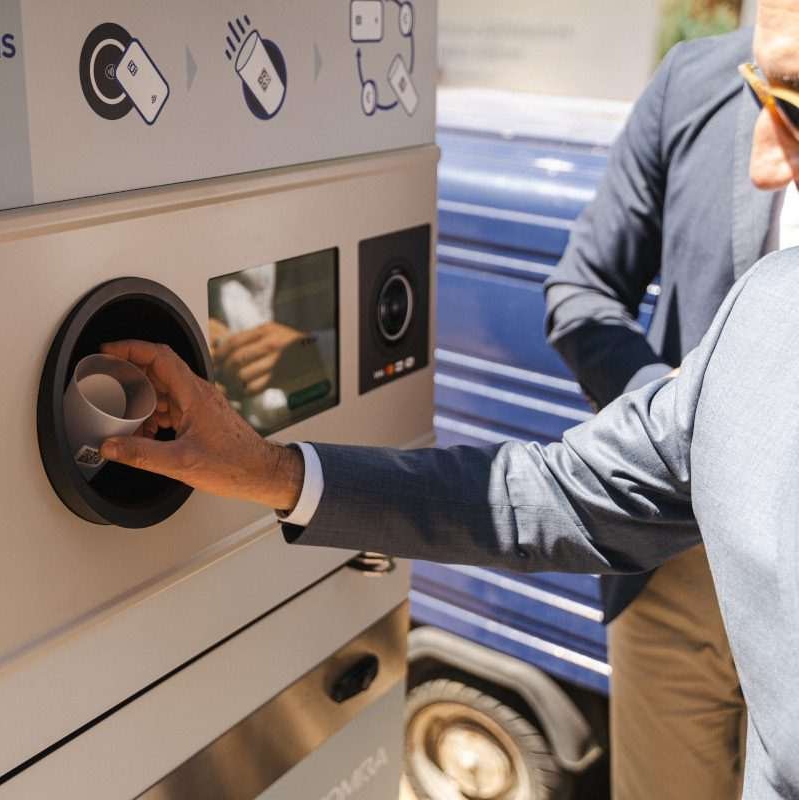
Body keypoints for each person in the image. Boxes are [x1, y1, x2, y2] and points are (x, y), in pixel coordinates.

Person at [97, 3, 799, 794]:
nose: (766, 162)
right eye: (761, 92)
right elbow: (545, 494)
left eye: (796, 110)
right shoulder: (772, 302)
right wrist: (269, 470)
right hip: (666, 557)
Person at [543, 24, 799, 798]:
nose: (765, 156)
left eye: (786, 105)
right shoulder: (691, 80)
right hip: (673, 575)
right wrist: (683, 421)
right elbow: (581, 291)